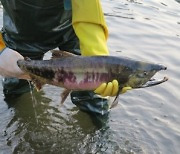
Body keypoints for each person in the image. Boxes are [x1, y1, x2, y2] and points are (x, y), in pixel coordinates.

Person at [0, 0, 130, 116]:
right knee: (16, 90)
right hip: (20, 32)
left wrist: (98, 55)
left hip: (74, 28)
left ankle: (99, 131)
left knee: (93, 94)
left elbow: (88, 5)